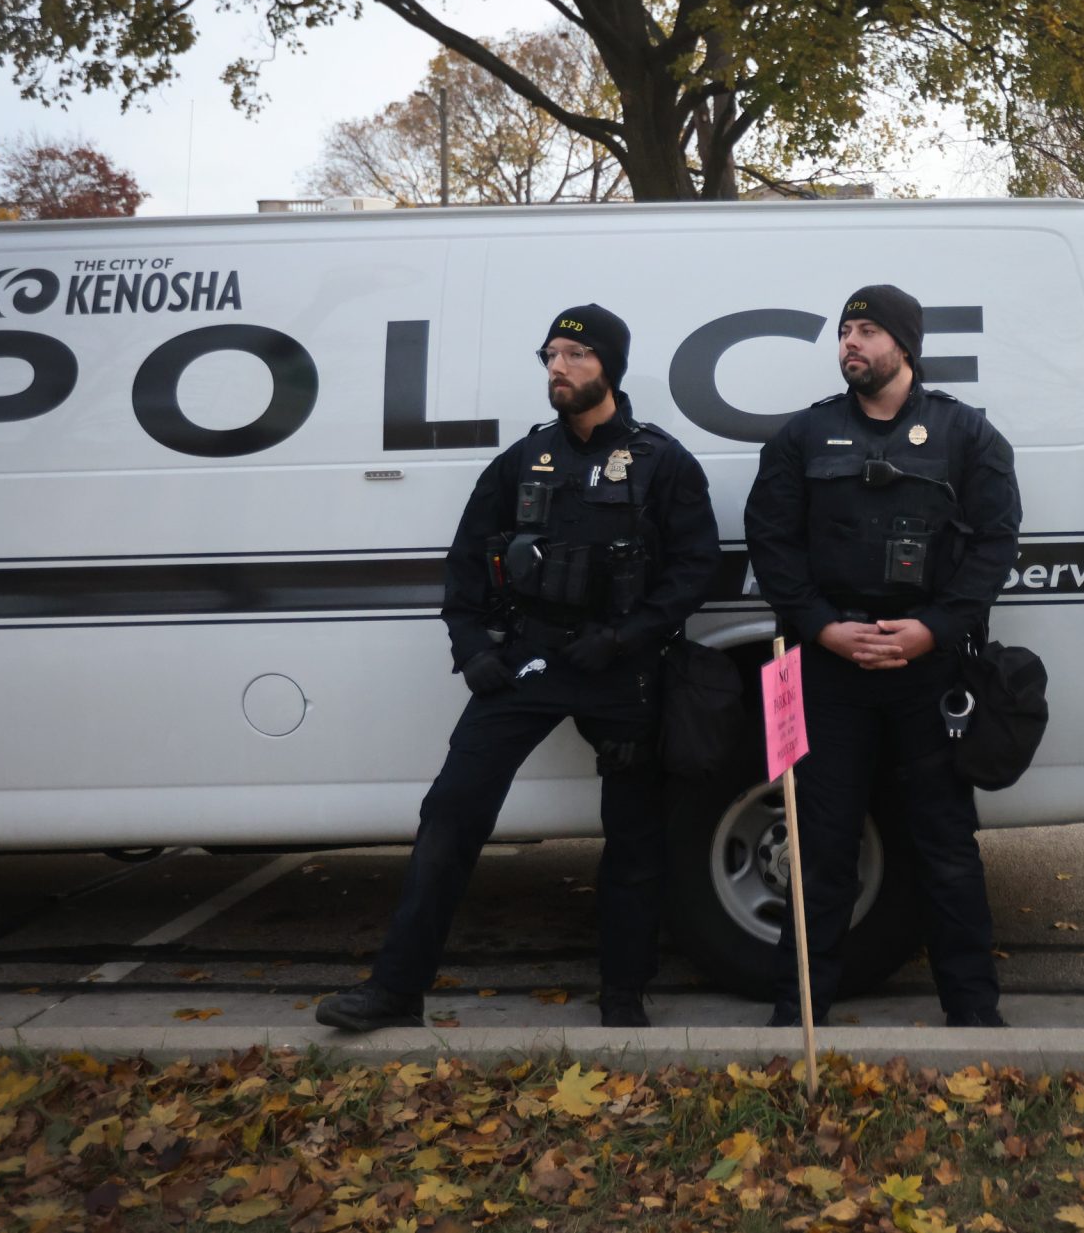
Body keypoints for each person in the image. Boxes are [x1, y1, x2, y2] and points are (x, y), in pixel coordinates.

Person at [317, 304, 719, 1032]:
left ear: (610, 367)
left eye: (574, 354)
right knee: (449, 815)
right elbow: (468, 558)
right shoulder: (523, 459)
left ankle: (623, 997)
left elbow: (694, 569)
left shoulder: (663, 462)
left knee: (634, 836)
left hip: (621, 669)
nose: (557, 367)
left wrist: (627, 638)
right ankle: (395, 989)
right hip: (529, 660)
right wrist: (473, 648)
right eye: (550, 355)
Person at [744, 284, 1021, 1028]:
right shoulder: (802, 438)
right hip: (828, 670)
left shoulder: (967, 436)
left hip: (927, 672)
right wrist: (822, 627)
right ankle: (799, 1010)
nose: (850, 344)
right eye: (844, 331)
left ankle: (974, 1014)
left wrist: (933, 626)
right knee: (821, 844)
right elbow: (771, 544)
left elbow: (996, 543)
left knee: (946, 844)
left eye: (867, 330)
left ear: (905, 344)